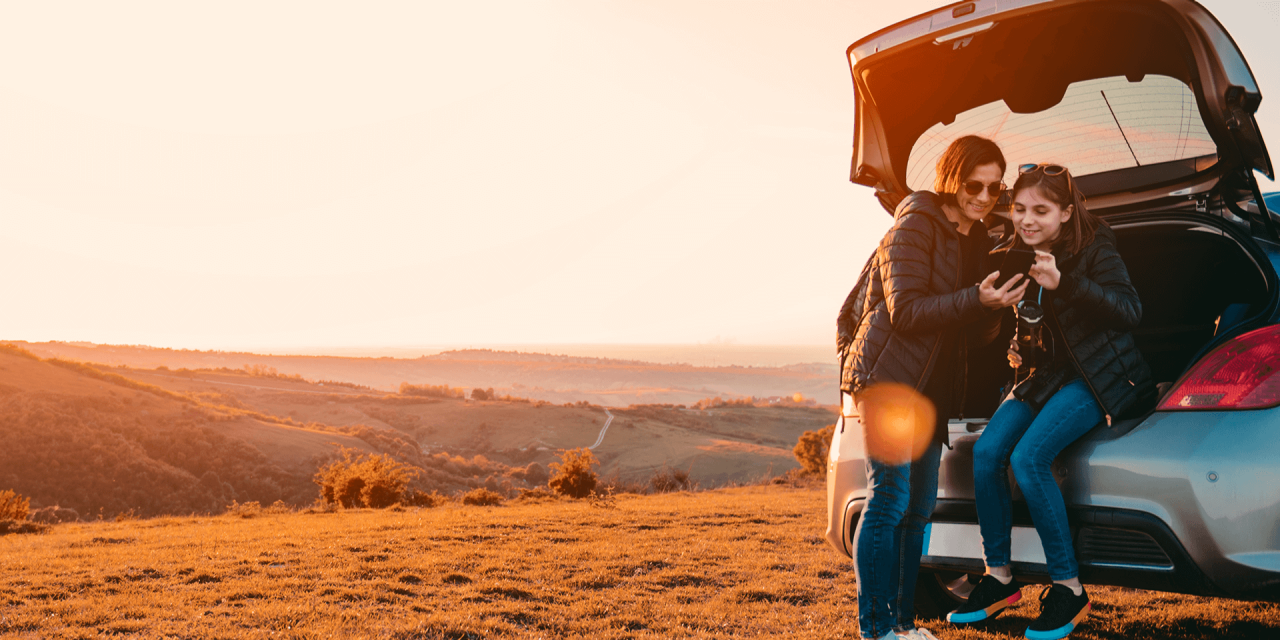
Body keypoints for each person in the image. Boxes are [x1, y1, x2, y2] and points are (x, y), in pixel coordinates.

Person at [946, 164, 1154, 640]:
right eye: (1019, 209)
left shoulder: (1096, 246)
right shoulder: (1015, 254)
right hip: (1043, 376)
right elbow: (1033, 322)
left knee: (1028, 458)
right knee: (986, 452)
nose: (1027, 219)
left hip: (1098, 376)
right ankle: (999, 577)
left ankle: (1068, 587)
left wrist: (1068, 284)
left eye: (1041, 210)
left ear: (1065, 211)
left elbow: (1129, 311)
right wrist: (1016, 345)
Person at [837, 135, 1027, 640]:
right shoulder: (916, 223)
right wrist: (973, 300)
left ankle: (901, 624)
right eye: (973, 185)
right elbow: (907, 310)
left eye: (994, 187)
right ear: (950, 177)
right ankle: (876, 629)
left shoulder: (977, 237)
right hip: (889, 381)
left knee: (918, 510)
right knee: (890, 501)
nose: (984, 197)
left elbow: (967, 326)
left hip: (929, 391)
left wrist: (993, 310)